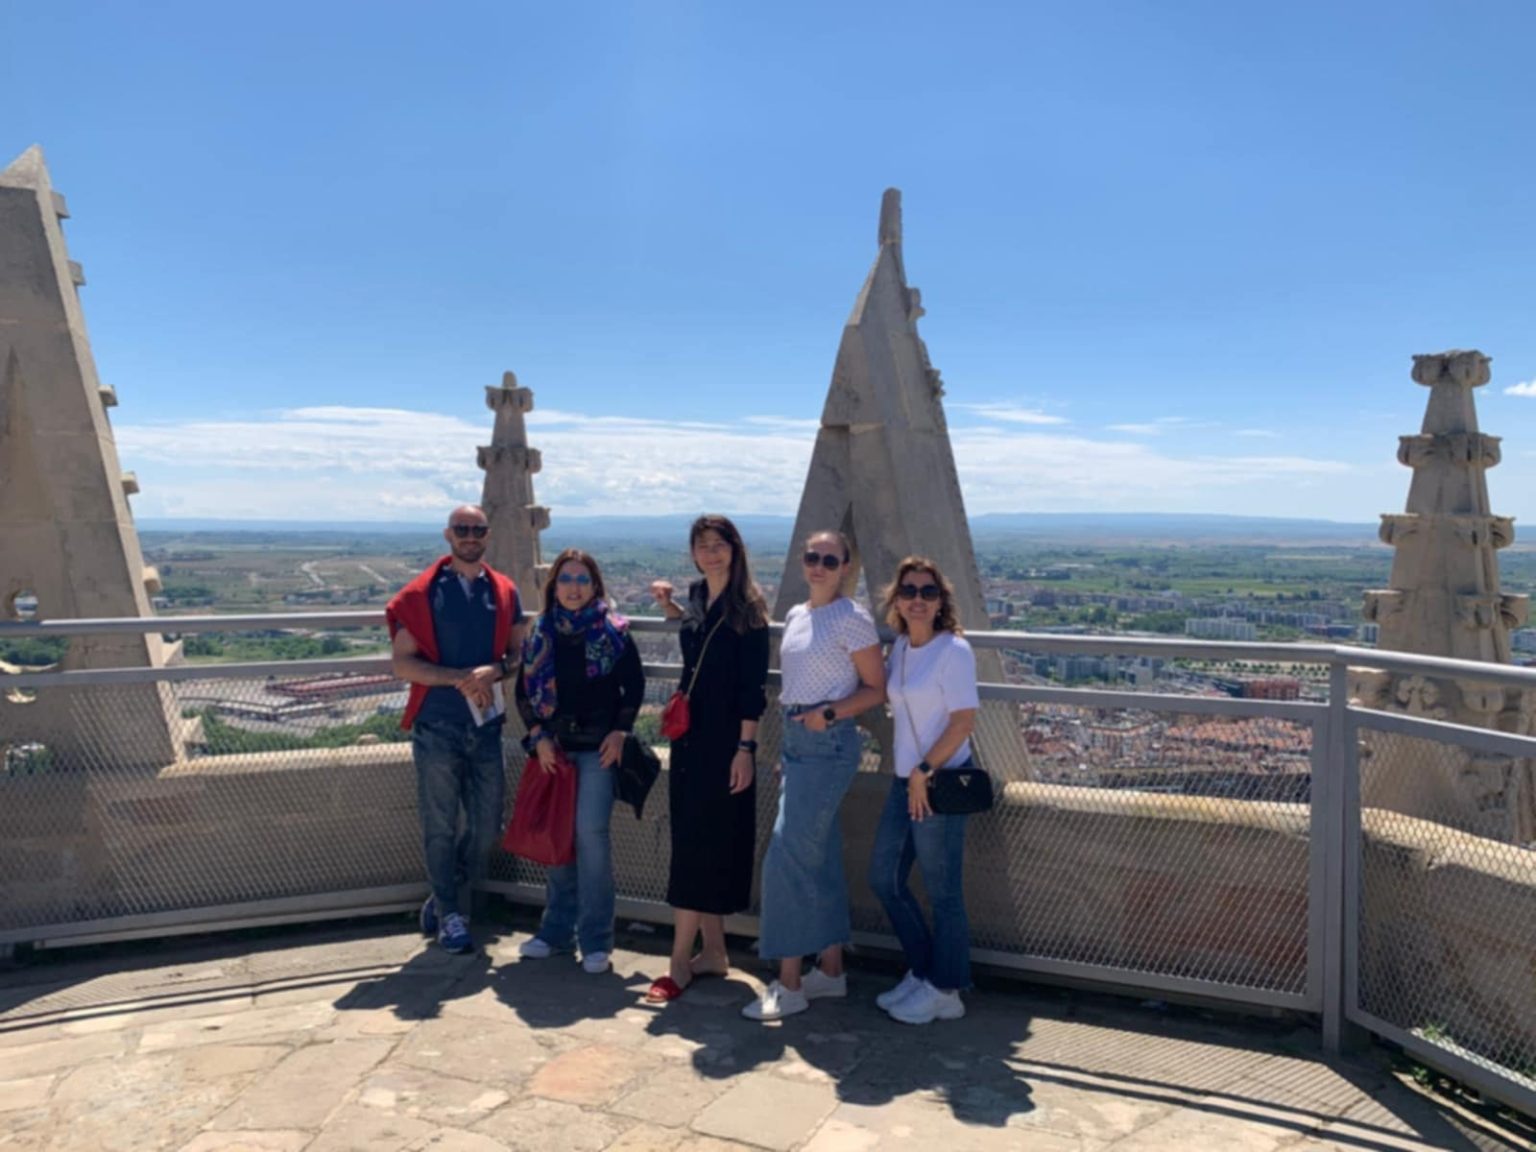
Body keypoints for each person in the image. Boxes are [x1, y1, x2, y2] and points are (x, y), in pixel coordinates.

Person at [744, 529, 886, 1021]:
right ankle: (830, 969)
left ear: (846, 567)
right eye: (812, 557)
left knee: (785, 858)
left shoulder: (852, 617)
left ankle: (789, 984)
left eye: (830, 559)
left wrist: (827, 714)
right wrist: (791, 746)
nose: (819, 566)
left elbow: (876, 688)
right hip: (799, 743)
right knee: (818, 857)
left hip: (828, 743)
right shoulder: (797, 615)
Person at [644, 515, 770, 1003]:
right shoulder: (698, 597)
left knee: (697, 846)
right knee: (698, 840)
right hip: (689, 738)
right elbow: (698, 638)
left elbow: (751, 689)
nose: (711, 553)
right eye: (703, 545)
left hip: (724, 742)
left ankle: (679, 961)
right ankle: (714, 952)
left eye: (719, 544)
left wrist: (745, 750)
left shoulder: (749, 610)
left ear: (735, 550)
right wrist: (669, 607)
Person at [387, 505, 524, 955]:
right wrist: (459, 679)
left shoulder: (503, 591)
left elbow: (519, 654)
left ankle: (446, 893)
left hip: (485, 725)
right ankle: (450, 912)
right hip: (438, 724)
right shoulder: (423, 593)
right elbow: (403, 663)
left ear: (487, 535)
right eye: (462, 529)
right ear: (448, 534)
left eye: (477, 529)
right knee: (440, 824)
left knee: (488, 826)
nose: (469, 536)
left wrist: (496, 670)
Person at [515, 548, 644, 974]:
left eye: (582, 579)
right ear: (555, 586)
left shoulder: (613, 631)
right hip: (555, 748)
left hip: (597, 750)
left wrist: (620, 731)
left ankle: (595, 939)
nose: (574, 588)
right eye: (566, 579)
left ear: (595, 586)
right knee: (560, 837)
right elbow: (523, 691)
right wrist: (537, 735)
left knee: (591, 838)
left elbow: (634, 686)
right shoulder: (540, 631)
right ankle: (555, 932)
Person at [868, 557, 979, 1024]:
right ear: (896, 600)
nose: (918, 599)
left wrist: (925, 770)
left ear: (940, 602)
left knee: (943, 890)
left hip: (938, 783)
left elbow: (963, 721)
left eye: (927, 592)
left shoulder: (954, 650)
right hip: (905, 781)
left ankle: (946, 988)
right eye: (909, 591)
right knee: (884, 879)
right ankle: (923, 970)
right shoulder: (900, 648)